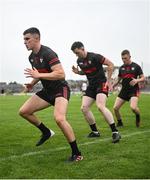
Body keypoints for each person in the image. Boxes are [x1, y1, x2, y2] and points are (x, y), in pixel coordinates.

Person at [19, 27, 83, 162]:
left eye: (27, 39)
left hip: (60, 89)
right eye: (24, 39)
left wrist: (38, 75)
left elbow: (60, 74)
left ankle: (77, 154)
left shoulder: (48, 53)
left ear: (37, 38)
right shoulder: (31, 57)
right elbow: (40, 73)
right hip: (47, 91)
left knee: (59, 119)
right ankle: (46, 132)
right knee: (24, 111)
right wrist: (32, 82)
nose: (24, 42)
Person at [71, 41, 121, 143]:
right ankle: (95, 132)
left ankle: (115, 132)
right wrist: (78, 72)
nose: (77, 55)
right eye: (75, 53)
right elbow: (85, 71)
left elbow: (111, 64)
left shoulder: (95, 57)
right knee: (84, 108)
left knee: (100, 106)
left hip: (101, 83)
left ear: (83, 48)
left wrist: (109, 80)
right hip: (92, 86)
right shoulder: (79, 61)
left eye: (77, 52)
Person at [113, 50, 145, 127]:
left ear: (130, 57)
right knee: (115, 108)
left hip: (133, 90)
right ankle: (120, 122)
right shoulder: (121, 68)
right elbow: (119, 79)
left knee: (133, 108)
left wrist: (137, 80)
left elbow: (143, 78)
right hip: (124, 90)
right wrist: (113, 85)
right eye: (122, 58)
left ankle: (138, 116)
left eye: (125, 58)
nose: (124, 60)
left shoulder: (136, 66)